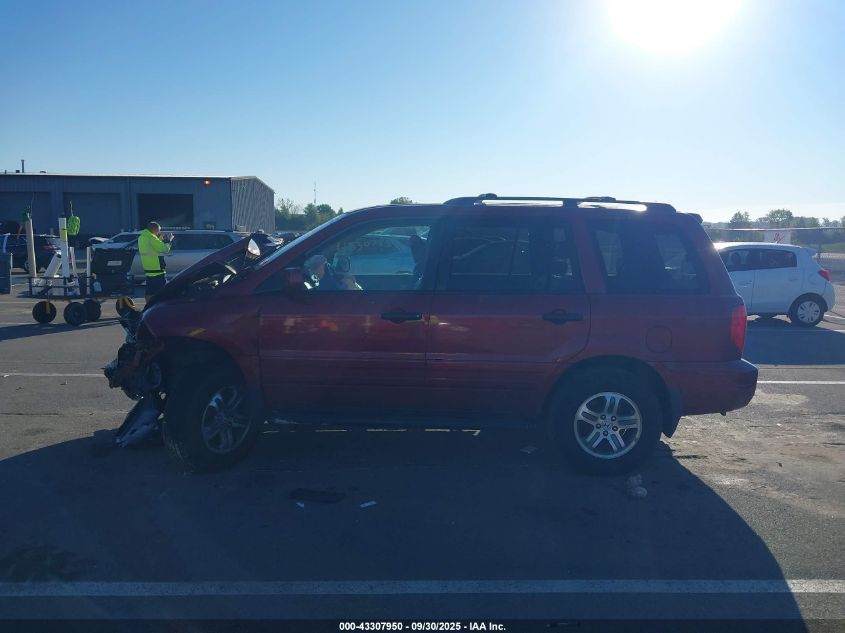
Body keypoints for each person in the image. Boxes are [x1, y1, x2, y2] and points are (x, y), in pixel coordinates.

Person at [138, 221, 173, 296]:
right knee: (162, 292)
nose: (158, 232)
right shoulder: (152, 237)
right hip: (157, 269)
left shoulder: (141, 237)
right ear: (154, 229)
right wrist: (168, 241)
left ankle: (148, 307)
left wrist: (159, 240)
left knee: (149, 292)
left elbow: (152, 249)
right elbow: (164, 249)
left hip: (148, 269)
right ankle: (161, 307)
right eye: (158, 230)